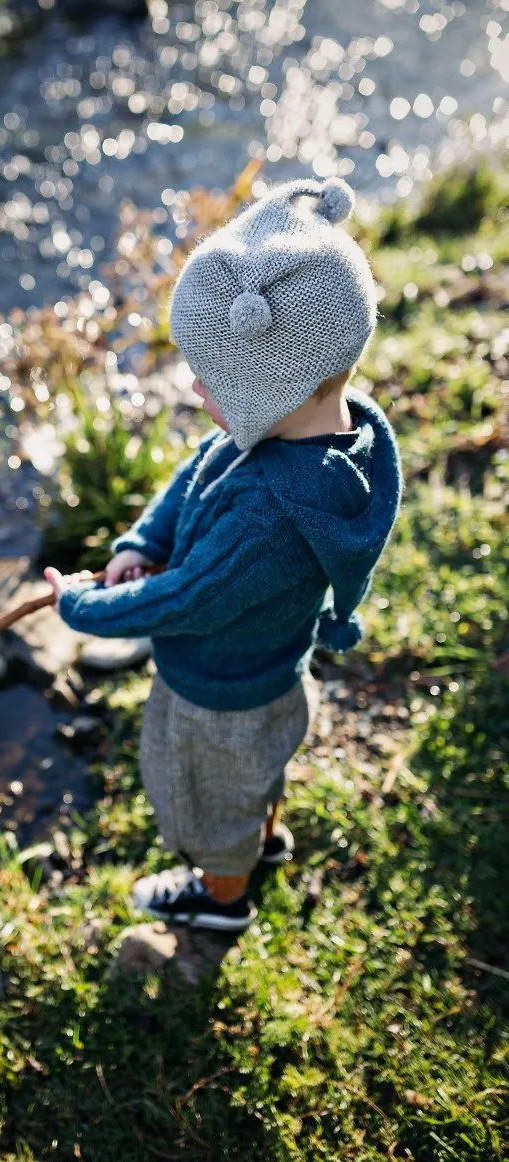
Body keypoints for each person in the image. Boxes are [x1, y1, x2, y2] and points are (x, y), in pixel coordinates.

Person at [44, 176, 402, 931]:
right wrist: (144, 539)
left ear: (274, 386)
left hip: (222, 693)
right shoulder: (332, 425)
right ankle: (258, 841)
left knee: (211, 798)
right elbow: (196, 472)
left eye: (210, 377)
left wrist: (83, 607)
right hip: (267, 670)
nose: (196, 385)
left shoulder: (273, 517)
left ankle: (221, 896)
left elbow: (188, 601)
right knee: (253, 780)